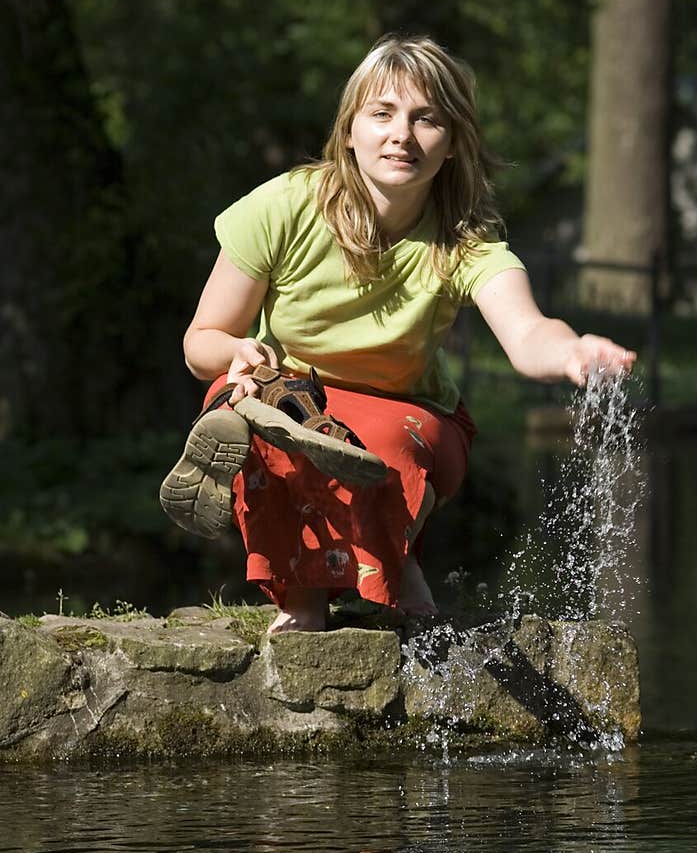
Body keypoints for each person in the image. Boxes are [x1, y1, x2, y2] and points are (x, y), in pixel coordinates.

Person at [160, 34, 636, 633]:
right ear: (350, 129)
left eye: (426, 119)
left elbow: (528, 331)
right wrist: (235, 351)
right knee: (261, 418)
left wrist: (573, 352)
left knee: (378, 448)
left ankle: (387, 589)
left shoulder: (466, 241)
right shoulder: (282, 206)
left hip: (409, 414)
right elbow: (199, 343)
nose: (401, 135)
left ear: (455, 142)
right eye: (381, 114)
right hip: (283, 394)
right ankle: (315, 605)